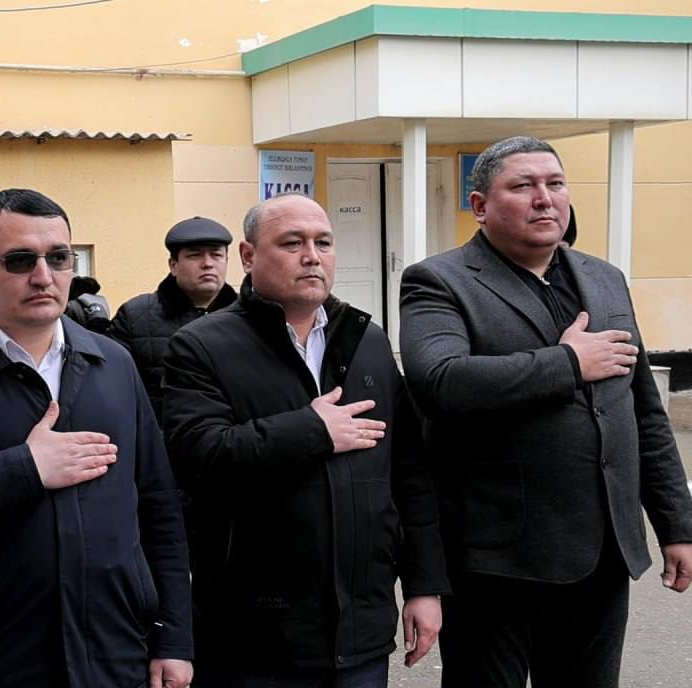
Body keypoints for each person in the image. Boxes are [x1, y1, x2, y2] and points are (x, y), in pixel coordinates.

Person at [398, 135, 692, 688]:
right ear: (480, 206)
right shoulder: (438, 281)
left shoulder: (604, 278)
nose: (544, 198)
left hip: (601, 553)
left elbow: (643, 411)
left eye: (555, 184)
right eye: (523, 186)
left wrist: (677, 524)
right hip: (497, 560)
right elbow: (440, 381)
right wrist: (568, 363)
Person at [0, 188, 194, 688]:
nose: (43, 276)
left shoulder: (114, 364)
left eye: (59, 258)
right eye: (20, 260)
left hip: (115, 650)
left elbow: (159, 506)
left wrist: (173, 638)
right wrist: (25, 468)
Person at [163, 194, 448, 687]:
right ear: (249, 256)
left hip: (360, 630)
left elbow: (409, 475)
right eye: (292, 243)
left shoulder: (367, 340)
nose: (312, 256)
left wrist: (424, 585)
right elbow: (198, 454)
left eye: (324, 243)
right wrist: (313, 431)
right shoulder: (201, 345)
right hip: (253, 635)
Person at [109, 216, 237, 420]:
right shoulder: (135, 316)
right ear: (173, 265)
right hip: (160, 436)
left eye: (216, 255)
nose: (208, 264)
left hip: (232, 436)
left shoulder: (250, 317)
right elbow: (114, 389)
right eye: (195, 255)